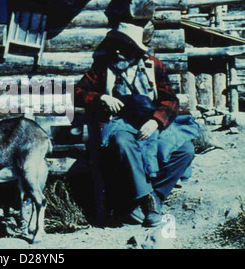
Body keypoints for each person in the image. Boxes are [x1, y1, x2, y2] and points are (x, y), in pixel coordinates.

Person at [74, 23, 198, 227]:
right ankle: (148, 202)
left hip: (150, 121)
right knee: (123, 143)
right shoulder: (104, 67)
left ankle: (154, 197)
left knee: (186, 150)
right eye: (116, 45)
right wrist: (102, 97)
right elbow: (77, 93)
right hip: (120, 123)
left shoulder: (153, 66)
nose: (117, 51)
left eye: (124, 46)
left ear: (136, 50)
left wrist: (156, 121)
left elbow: (171, 100)